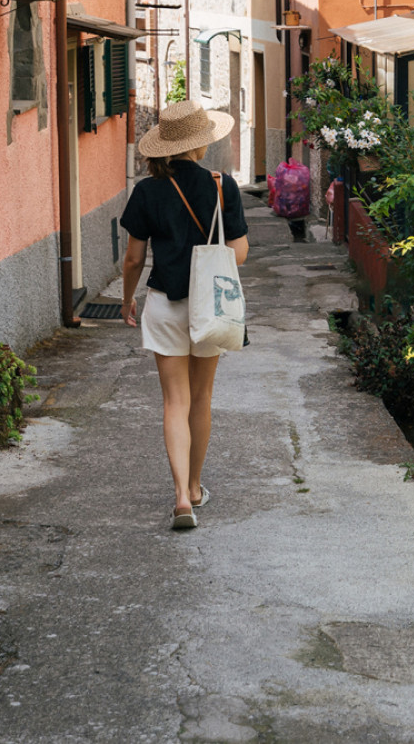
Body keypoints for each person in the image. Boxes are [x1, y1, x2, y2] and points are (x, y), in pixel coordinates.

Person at [120, 100, 249, 530]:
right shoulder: (221, 185)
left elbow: (134, 259)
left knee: (174, 400)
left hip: (165, 303)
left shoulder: (146, 191)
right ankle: (195, 486)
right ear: (200, 143)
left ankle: (180, 499)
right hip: (210, 306)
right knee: (201, 398)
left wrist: (126, 298)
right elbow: (239, 253)